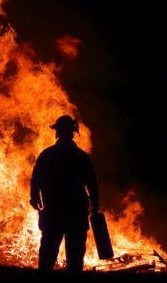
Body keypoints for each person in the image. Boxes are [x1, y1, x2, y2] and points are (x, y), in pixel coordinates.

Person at [29, 115, 99, 272]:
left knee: (48, 251)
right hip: (76, 212)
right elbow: (91, 182)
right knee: (75, 257)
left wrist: (35, 197)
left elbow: (36, 178)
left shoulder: (48, 155)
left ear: (57, 133)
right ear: (73, 133)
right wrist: (95, 202)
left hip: (54, 211)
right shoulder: (81, 157)